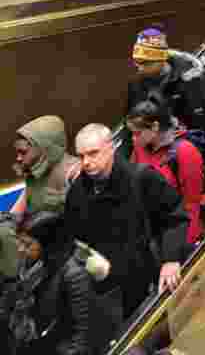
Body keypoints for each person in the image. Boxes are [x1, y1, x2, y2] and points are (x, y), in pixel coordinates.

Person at [64, 124, 188, 324]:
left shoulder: (141, 178)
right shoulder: (77, 194)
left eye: (93, 153)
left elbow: (175, 216)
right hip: (108, 294)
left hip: (151, 282)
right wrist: (96, 268)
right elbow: (73, 240)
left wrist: (171, 259)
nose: (86, 162)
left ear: (111, 148)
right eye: (81, 156)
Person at [11, 211, 103, 355]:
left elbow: (83, 333)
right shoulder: (42, 263)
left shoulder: (74, 274)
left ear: (48, 241)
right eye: (20, 242)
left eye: (27, 244)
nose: (21, 249)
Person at [126, 99, 205, 247]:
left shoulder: (185, 152)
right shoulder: (140, 147)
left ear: (155, 127)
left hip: (177, 233)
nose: (133, 139)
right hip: (151, 231)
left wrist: (181, 247)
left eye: (137, 133)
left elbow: (191, 204)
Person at [126, 26, 205, 138]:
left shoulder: (188, 82)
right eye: (137, 63)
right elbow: (129, 123)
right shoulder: (136, 84)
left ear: (161, 60)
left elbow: (199, 128)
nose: (140, 68)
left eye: (146, 63)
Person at [10, 115, 78, 220]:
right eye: (18, 152)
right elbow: (15, 215)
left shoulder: (75, 172)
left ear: (44, 148)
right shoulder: (34, 177)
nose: (18, 158)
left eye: (23, 152)